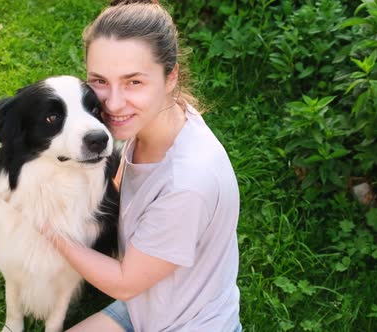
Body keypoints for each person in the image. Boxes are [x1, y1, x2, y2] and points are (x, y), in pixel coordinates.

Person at [41, 0, 242, 331]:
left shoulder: (188, 182)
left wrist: (49, 227)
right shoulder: (153, 122)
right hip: (146, 306)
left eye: (134, 82)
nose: (113, 103)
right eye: (100, 81)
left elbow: (124, 282)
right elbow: (120, 186)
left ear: (170, 77)